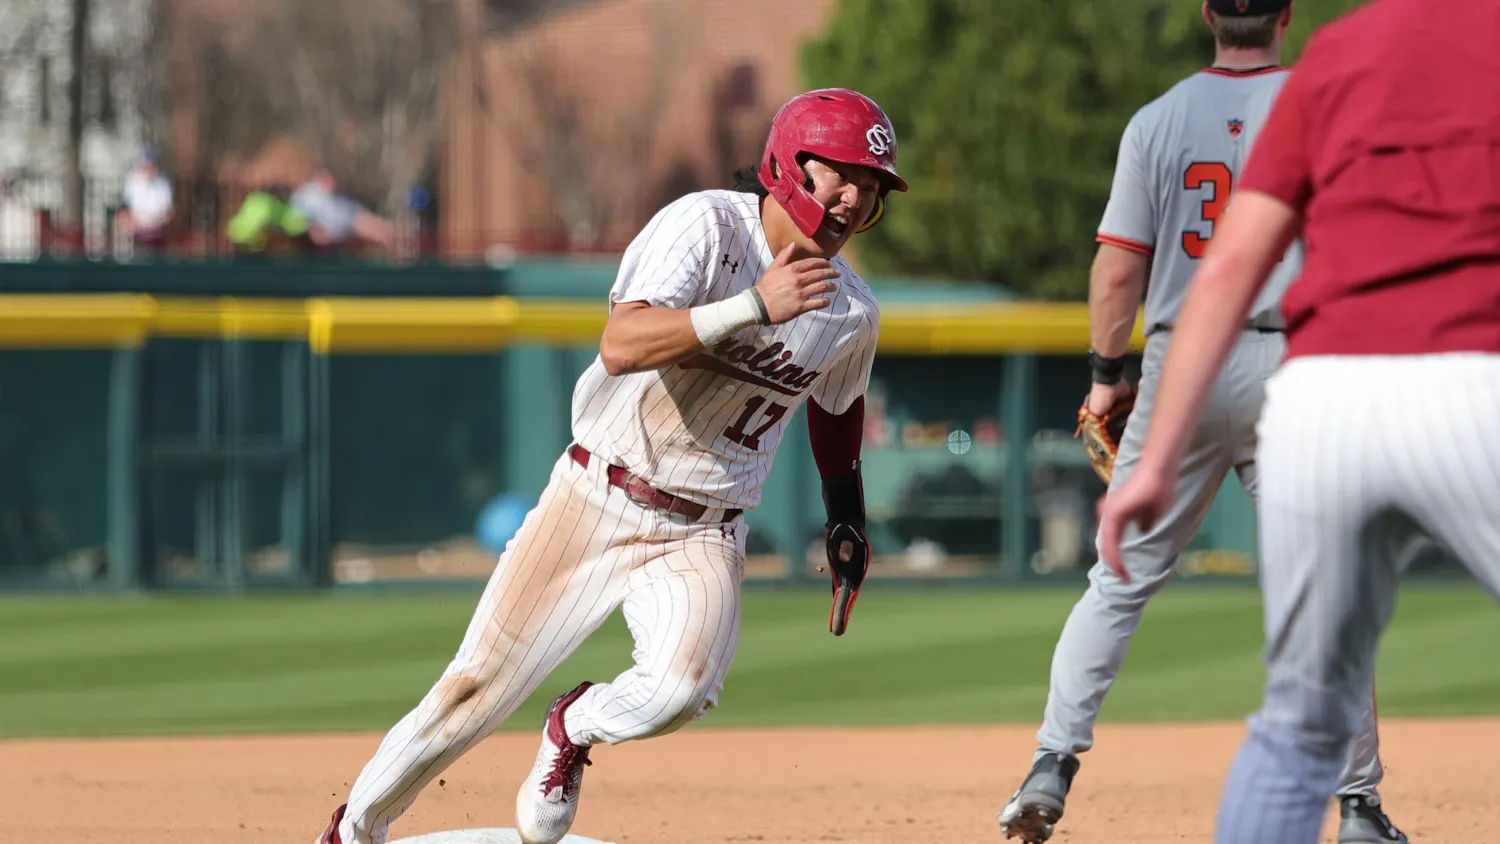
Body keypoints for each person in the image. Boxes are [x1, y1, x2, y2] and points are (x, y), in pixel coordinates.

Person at [313, 87, 908, 844]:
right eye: (845, 173)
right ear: (792, 165)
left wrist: (846, 518)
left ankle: (572, 727)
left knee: (680, 690)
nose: (858, 197)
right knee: (471, 695)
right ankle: (353, 830)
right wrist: (753, 306)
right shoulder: (706, 225)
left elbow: (836, 409)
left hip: (706, 530)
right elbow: (622, 343)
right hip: (600, 495)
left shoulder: (852, 310)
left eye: (875, 185)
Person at [995, 3, 1408, 843]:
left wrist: (1109, 379)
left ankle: (1051, 765)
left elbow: (1117, 275)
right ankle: (1359, 807)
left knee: (1118, 582)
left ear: (1209, 11)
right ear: (1287, 13)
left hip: (1185, 356)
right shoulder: (1326, 108)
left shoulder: (1157, 120)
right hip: (1297, 360)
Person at [1094, 0, 1500, 842]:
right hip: (1471, 374)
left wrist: (1159, 455)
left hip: (1323, 398)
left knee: (1299, 726)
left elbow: (1232, 265)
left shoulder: (1336, 57)